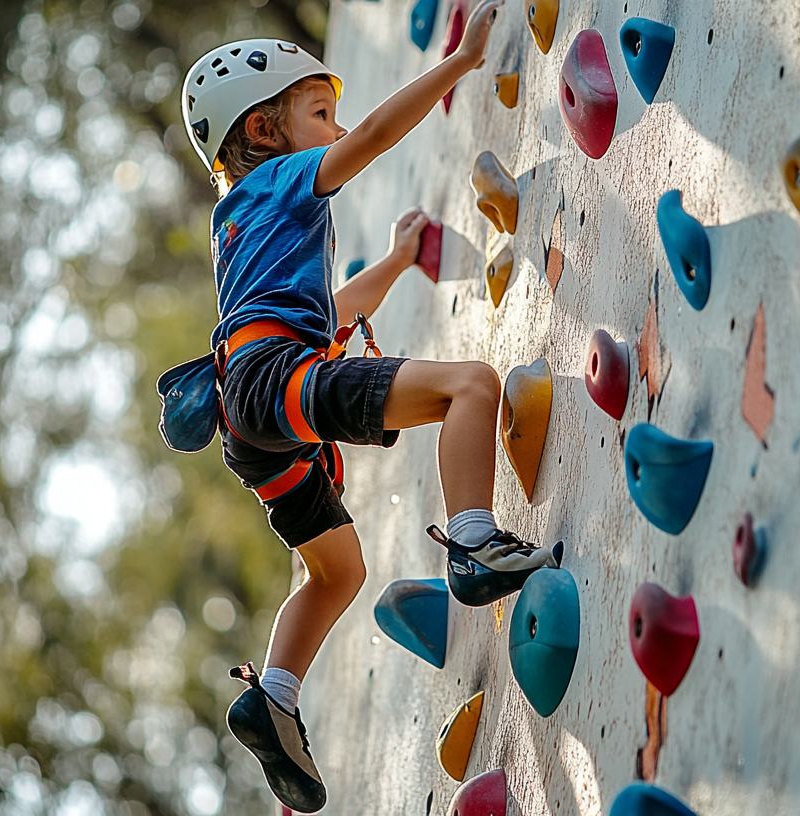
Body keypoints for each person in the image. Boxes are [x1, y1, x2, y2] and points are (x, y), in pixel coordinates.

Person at [173, 1, 561, 810]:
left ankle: (273, 696)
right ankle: (472, 542)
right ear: (266, 133)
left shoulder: (242, 228)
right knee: (473, 387)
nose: (337, 123)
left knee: (336, 570)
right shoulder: (279, 180)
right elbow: (375, 138)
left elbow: (332, 309)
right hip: (273, 380)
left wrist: (394, 257)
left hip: (252, 415)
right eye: (320, 112)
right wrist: (459, 62)